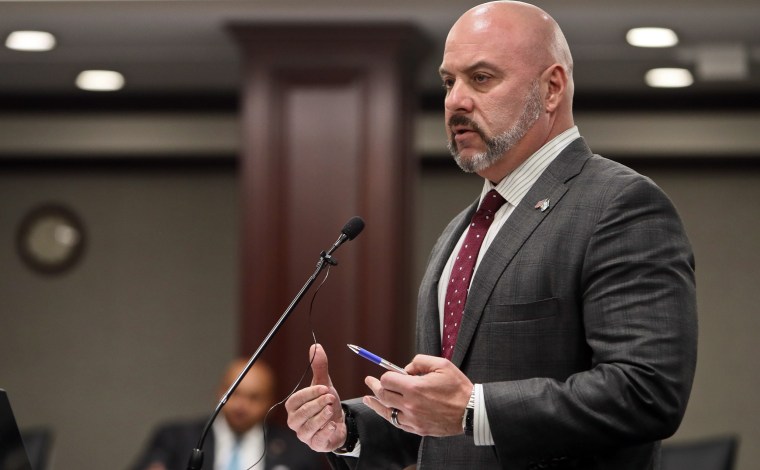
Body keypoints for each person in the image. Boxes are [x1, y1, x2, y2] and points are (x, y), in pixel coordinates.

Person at [284, 1, 698, 469]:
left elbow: (646, 393)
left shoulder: (618, 206)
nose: (455, 101)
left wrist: (472, 410)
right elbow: (444, 419)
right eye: (448, 81)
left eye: (481, 78)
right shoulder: (463, 230)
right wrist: (350, 430)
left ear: (551, 88)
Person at [132, 358, 325, 470]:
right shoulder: (177, 439)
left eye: (254, 397)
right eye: (234, 394)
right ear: (220, 391)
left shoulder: (298, 450)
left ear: (270, 402)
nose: (241, 406)